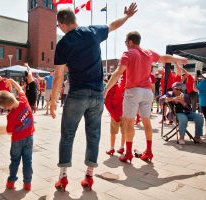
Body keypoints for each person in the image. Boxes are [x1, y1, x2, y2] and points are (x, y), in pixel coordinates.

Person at [50, 4, 137, 191]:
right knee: (94, 135)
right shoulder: (92, 32)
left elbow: (58, 76)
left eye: (59, 26)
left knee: (67, 135)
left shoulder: (63, 44)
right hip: (97, 95)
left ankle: (63, 177)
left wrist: (52, 103)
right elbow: (113, 25)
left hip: (77, 94)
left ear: (62, 24)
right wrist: (126, 16)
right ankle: (89, 176)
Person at [106, 31, 188, 164]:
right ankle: (149, 151)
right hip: (146, 92)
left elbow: (117, 73)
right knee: (147, 122)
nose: (126, 45)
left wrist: (106, 89)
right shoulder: (148, 52)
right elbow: (164, 57)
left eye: (126, 42)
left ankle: (128, 153)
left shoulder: (128, 53)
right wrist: (178, 59)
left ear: (131, 42)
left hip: (133, 91)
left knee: (128, 122)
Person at [0, 78, 34, 191]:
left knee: (15, 161)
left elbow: (9, 132)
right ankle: (27, 184)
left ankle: (11, 182)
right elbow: (19, 88)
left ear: (5, 107)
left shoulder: (10, 116)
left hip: (17, 140)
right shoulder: (24, 101)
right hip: (30, 137)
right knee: (28, 161)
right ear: (13, 96)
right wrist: (11, 81)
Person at [105, 80, 125, 155]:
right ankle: (122, 147)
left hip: (115, 113)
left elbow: (108, 105)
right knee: (124, 132)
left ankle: (112, 148)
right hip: (123, 112)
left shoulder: (110, 90)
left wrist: (114, 116)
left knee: (113, 132)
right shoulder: (119, 86)